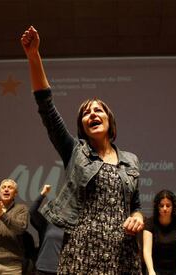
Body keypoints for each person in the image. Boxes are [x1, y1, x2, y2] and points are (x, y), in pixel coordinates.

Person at [21, 26, 144, 274]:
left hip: (122, 252)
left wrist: (139, 219)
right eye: (86, 113)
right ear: (82, 127)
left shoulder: (131, 160)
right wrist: (34, 55)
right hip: (81, 249)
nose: (92, 114)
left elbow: (136, 206)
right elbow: (46, 106)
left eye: (98, 110)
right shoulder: (75, 151)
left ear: (110, 120)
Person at [143, 189, 176, 275]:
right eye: (161, 205)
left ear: (173, 207)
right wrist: (150, 270)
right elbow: (147, 250)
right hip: (155, 268)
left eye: (168, 205)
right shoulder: (150, 223)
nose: (165, 208)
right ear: (157, 207)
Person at [30, 184, 64, 275]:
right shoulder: (46, 224)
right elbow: (32, 211)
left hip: (62, 269)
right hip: (42, 269)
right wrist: (43, 194)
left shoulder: (71, 225)